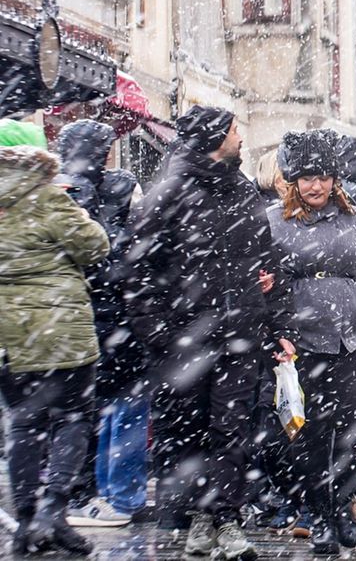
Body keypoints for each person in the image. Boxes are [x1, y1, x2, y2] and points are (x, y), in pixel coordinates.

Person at [122, 105, 295, 560]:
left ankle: (227, 518)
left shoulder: (239, 189)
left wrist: (271, 318)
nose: (241, 136)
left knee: (232, 427)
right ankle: (201, 516)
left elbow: (266, 260)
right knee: (189, 430)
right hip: (185, 337)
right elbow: (137, 267)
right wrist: (157, 331)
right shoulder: (171, 189)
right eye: (235, 129)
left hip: (238, 331)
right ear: (217, 135)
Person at [267, 131, 356, 554]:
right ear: (293, 179)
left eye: (324, 176)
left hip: (352, 338)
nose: (316, 186)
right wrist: (279, 333)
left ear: (336, 179)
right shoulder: (275, 221)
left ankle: (342, 507)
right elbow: (265, 283)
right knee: (308, 432)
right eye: (308, 177)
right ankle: (318, 513)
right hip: (300, 341)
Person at [0, 122, 111, 556]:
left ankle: (28, 521)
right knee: (73, 418)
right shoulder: (49, 196)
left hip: (11, 333)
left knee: (24, 424)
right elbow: (95, 246)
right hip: (62, 328)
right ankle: (53, 509)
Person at [52, 121, 149, 529]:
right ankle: (113, 493)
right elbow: (130, 248)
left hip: (73, 314)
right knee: (118, 407)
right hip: (116, 315)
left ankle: (78, 491)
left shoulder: (56, 190)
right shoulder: (120, 188)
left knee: (76, 410)